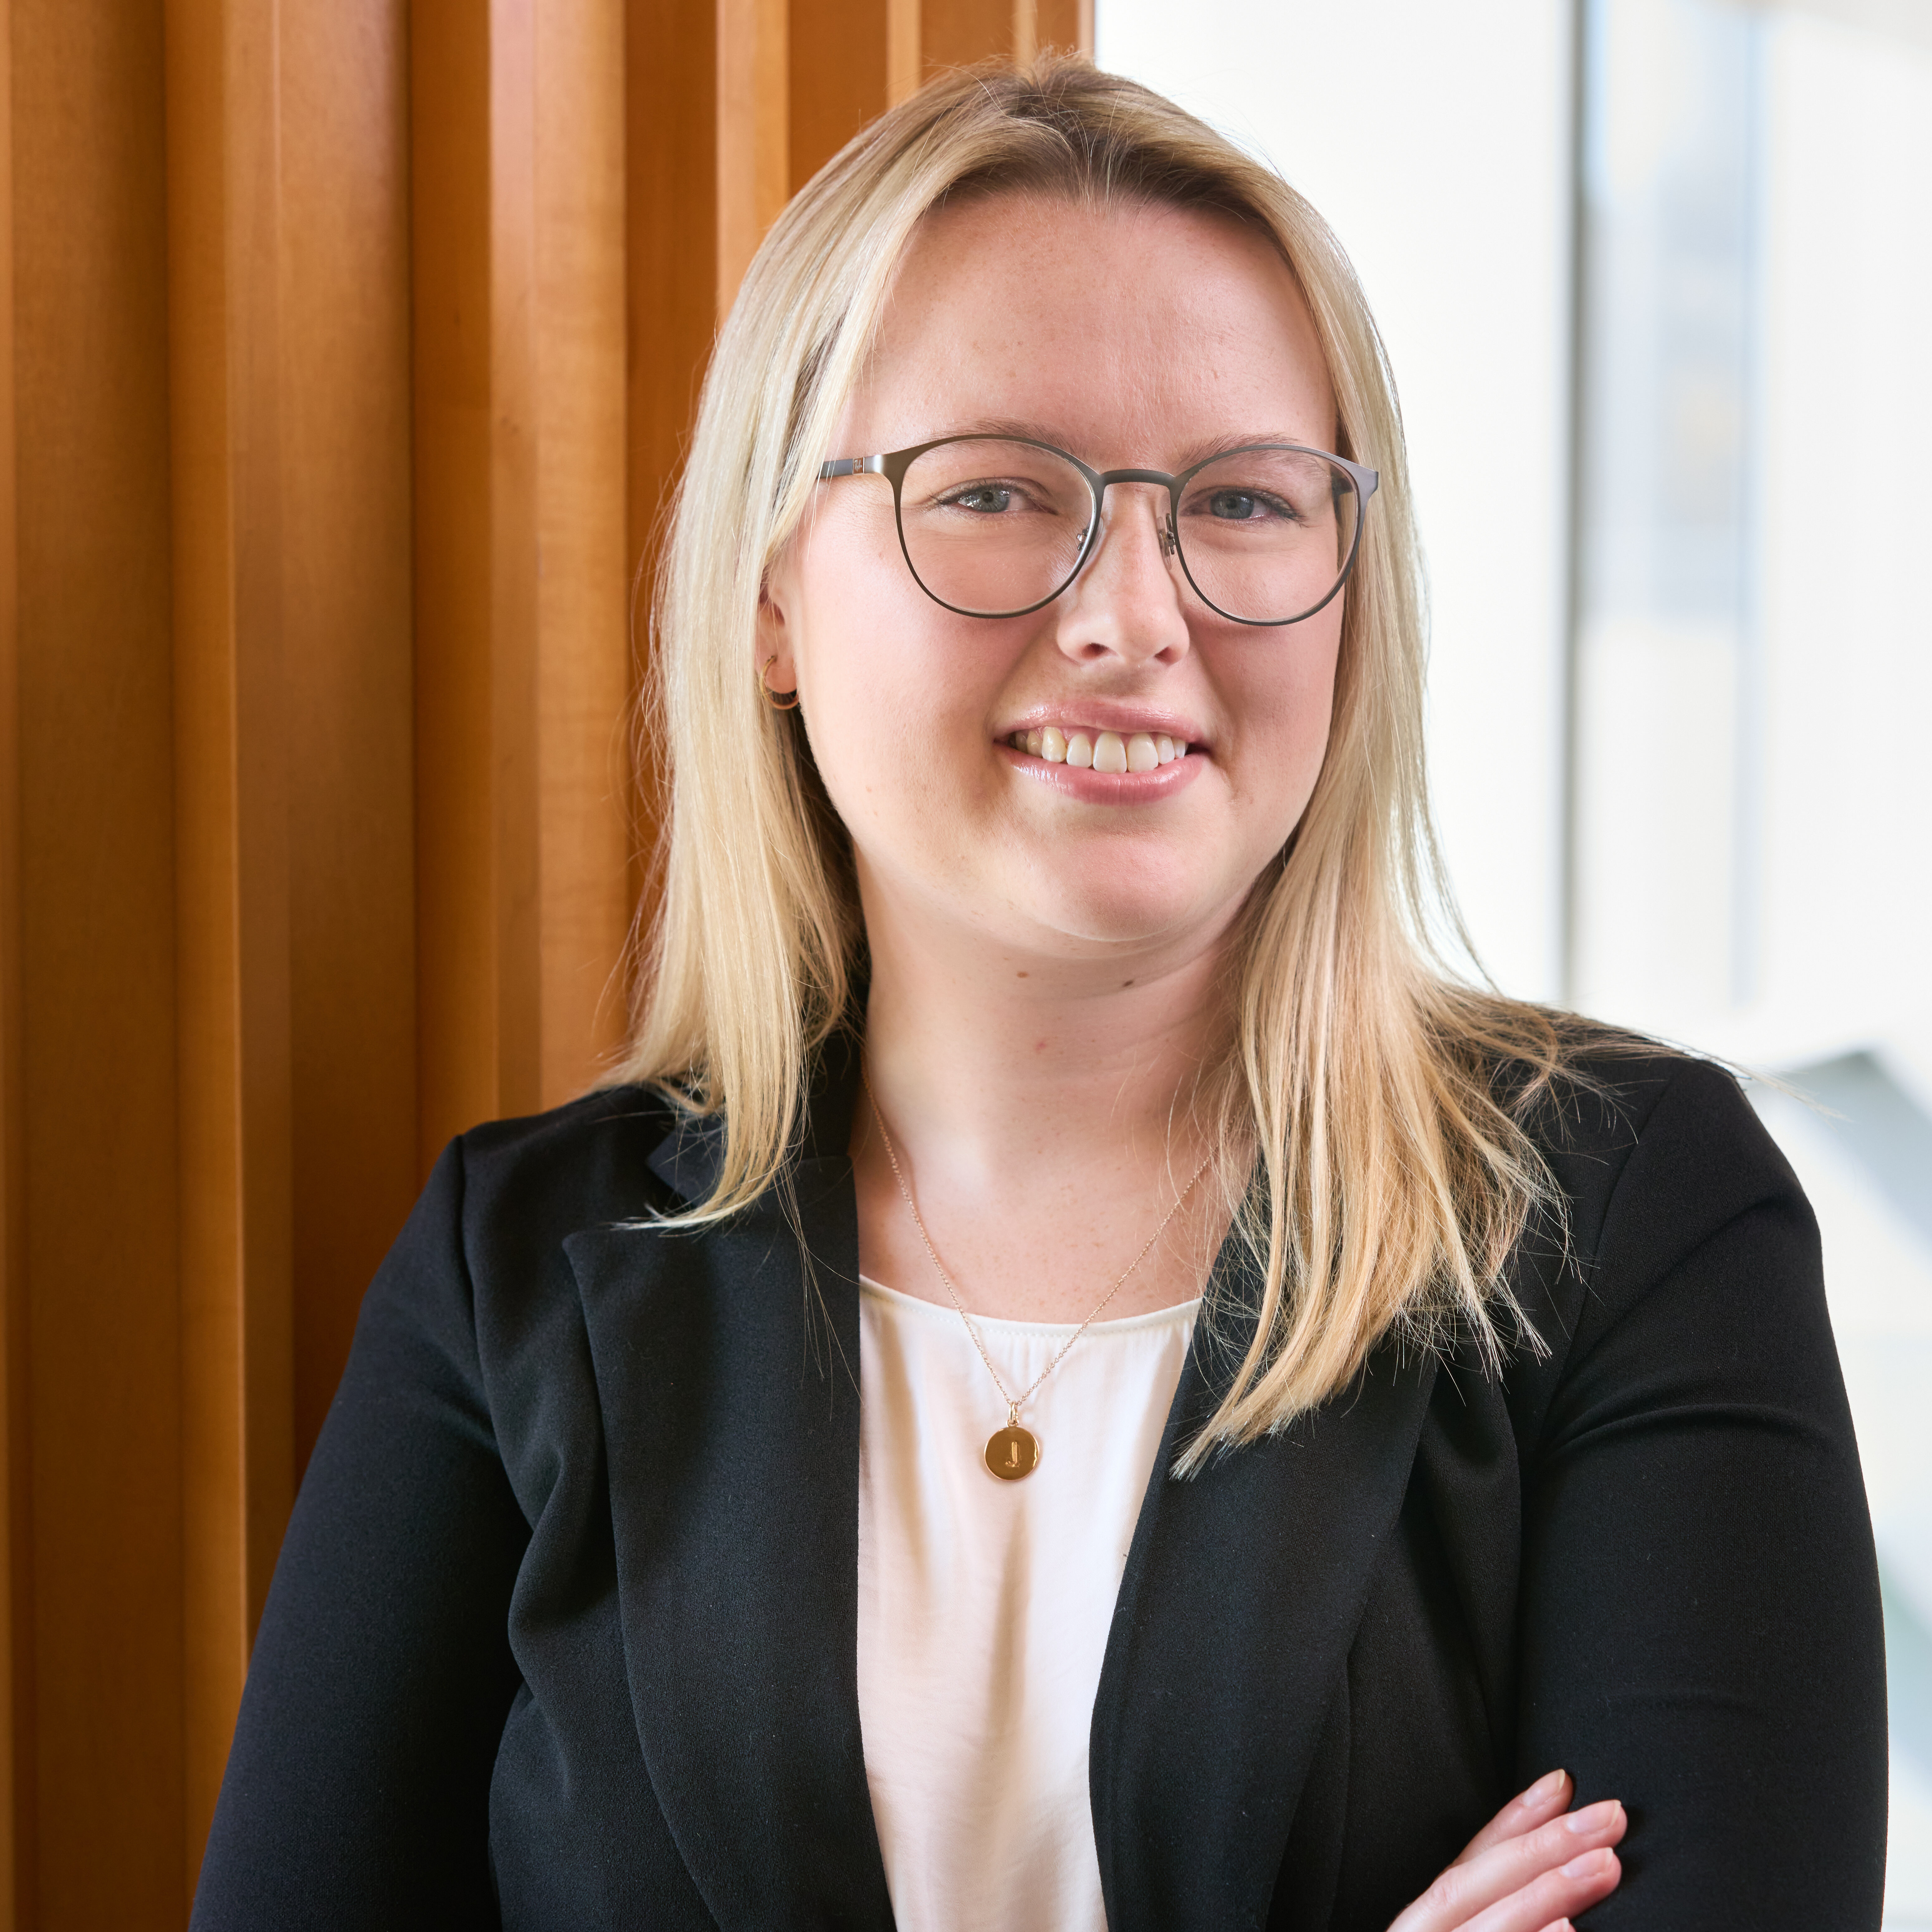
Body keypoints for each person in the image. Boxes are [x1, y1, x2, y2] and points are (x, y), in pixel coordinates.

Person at [189, 55, 1887, 1932]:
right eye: (997, 488)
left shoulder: (1628, 1223)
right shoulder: (517, 1269)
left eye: (1242, 504)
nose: (1134, 611)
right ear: (770, 595)